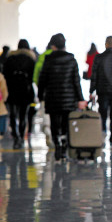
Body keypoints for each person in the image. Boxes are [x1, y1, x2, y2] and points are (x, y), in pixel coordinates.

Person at [38, 33, 87, 161]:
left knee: (54, 123)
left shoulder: (48, 60)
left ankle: (57, 146)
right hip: (68, 99)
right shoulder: (72, 60)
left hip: (53, 98)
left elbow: (42, 80)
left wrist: (40, 95)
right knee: (66, 123)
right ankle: (64, 146)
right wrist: (80, 99)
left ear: (53, 46)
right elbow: (76, 82)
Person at [2, 39, 36, 149]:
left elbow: (4, 74)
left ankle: (15, 135)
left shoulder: (10, 58)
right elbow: (33, 77)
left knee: (12, 114)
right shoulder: (31, 59)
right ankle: (21, 137)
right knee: (23, 115)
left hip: (12, 89)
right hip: (25, 90)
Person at [33, 41, 54, 147]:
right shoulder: (61, 56)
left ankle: (47, 129)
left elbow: (36, 76)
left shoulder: (42, 57)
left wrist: (40, 90)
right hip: (59, 92)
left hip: (46, 91)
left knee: (46, 113)